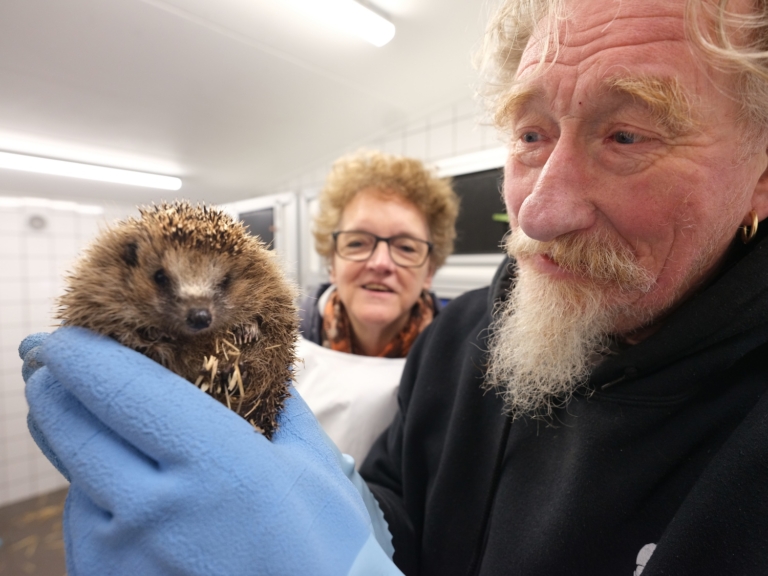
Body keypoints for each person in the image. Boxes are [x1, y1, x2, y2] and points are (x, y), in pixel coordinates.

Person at [18, 0, 768, 574]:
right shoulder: (464, 337)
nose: (535, 212)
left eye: (627, 136)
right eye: (531, 134)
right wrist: (323, 512)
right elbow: (395, 508)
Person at [294, 150, 458, 466]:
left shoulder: (457, 364)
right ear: (331, 262)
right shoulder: (278, 345)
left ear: (429, 272)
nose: (380, 263)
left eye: (406, 247)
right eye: (357, 243)